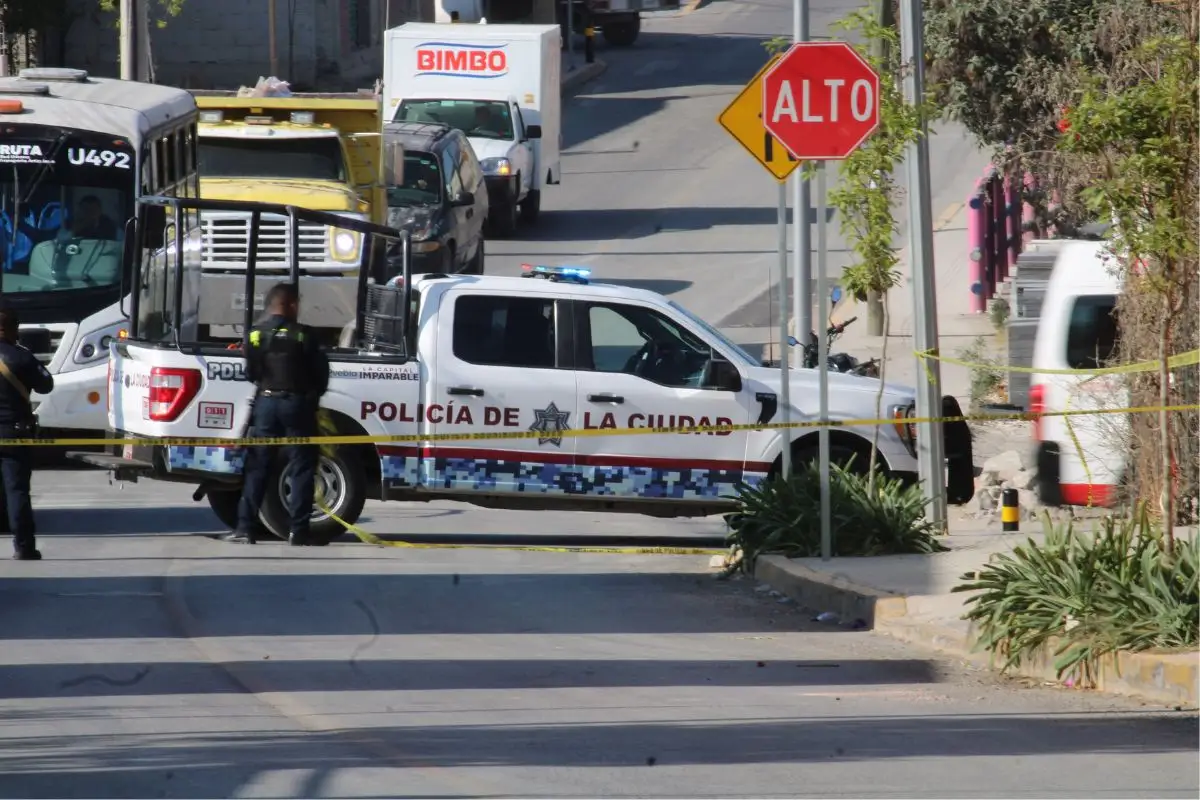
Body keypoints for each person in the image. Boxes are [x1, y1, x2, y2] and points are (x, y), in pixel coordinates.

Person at [220, 282, 329, 546]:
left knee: (257, 467)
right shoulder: (304, 335)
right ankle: (298, 532)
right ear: (290, 304)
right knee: (302, 467)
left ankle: (245, 529)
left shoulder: (255, 335)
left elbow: (251, 374)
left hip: (266, 403)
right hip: (297, 405)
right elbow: (321, 375)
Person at [0, 306, 54, 560]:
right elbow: (46, 385)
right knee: (17, 490)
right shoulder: (21, 358)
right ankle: (23, 547)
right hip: (14, 433)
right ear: (13, 330)